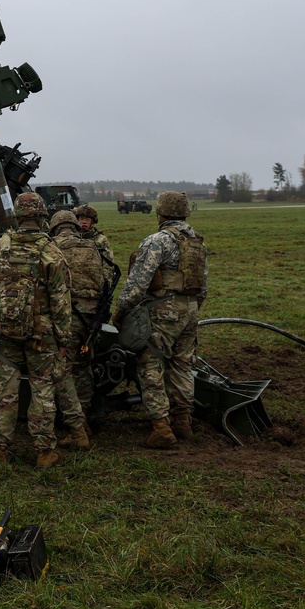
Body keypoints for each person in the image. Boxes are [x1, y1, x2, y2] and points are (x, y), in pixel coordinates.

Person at [0, 191, 83, 467]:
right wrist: (63, 338)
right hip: (42, 334)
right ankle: (44, 451)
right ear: (41, 216)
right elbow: (61, 302)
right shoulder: (51, 252)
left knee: (4, 391)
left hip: (6, 331)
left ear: (17, 216)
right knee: (43, 390)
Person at [111, 191, 208, 448]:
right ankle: (183, 422)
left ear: (160, 212)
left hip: (163, 311)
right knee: (183, 366)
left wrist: (120, 312)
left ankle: (161, 428)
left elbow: (137, 283)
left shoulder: (158, 241)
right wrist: (191, 308)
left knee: (149, 364)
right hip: (190, 311)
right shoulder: (198, 241)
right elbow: (203, 286)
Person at [48, 209, 113, 446]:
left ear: (54, 227)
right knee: (83, 366)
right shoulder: (92, 247)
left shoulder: (52, 247)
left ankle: (74, 425)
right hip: (91, 317)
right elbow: (106, 278)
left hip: (67, 314)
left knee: (62, 369)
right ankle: (84, 418)